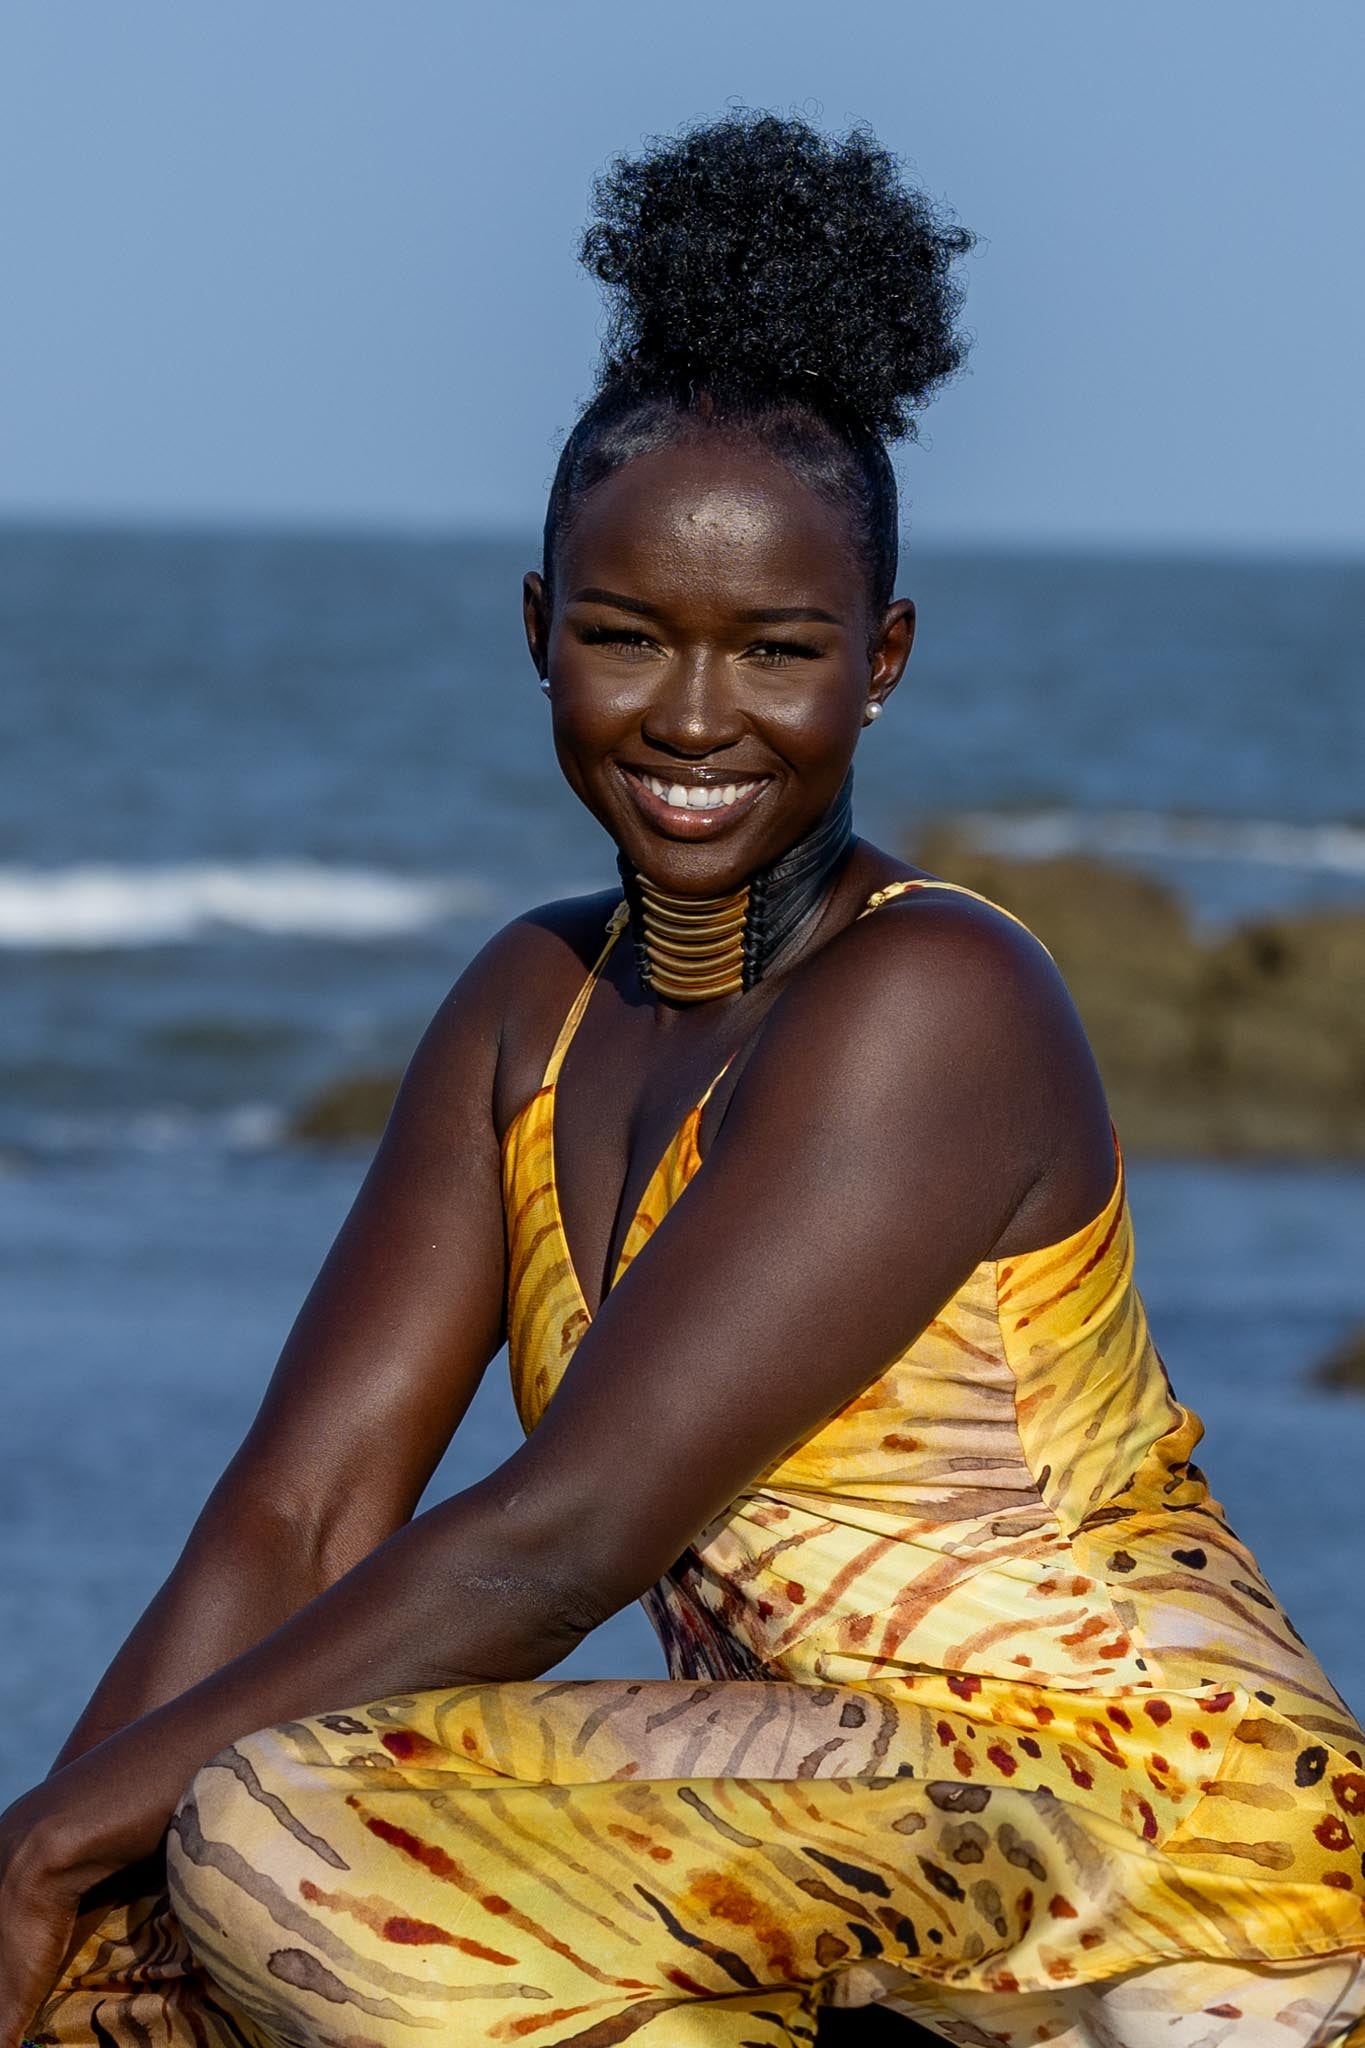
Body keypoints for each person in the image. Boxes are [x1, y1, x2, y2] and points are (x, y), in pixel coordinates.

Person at [4, 110, 1363, 2048]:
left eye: (777, 649)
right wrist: (44, 1869)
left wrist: (58, 1838)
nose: (695, 718)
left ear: (878, 659)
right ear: (535, 630)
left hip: (1134, 1815)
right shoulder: (521, 1016)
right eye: (628, 637)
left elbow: (567, 1535)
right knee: (121, 1970)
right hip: (809, 1817)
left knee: (267, 1836)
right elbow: (300, 1518)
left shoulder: (935, 1000)